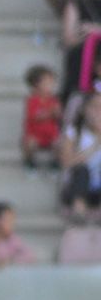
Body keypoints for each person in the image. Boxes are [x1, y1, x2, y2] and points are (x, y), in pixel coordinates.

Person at [59, 92, 101, 222]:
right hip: (78, 187)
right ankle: (79, 210)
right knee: (81, 170)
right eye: (94, 106)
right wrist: (95, 144)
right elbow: (66, 162)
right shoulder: (74, 132)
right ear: (84, 109)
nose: (98, 111)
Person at [23, 65, 63, 173]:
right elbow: (35, 116)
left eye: (51, 83)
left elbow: (58, 115)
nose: (51, 86)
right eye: (47, 83)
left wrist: (57, 112)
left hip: (50, 134)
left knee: (58, 143)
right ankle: (29, 162)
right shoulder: (32, 100)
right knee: (30, 143)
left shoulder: (53, 99)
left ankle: (55, 163)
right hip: (36, 135)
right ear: (36, 85)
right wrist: (50, 112)